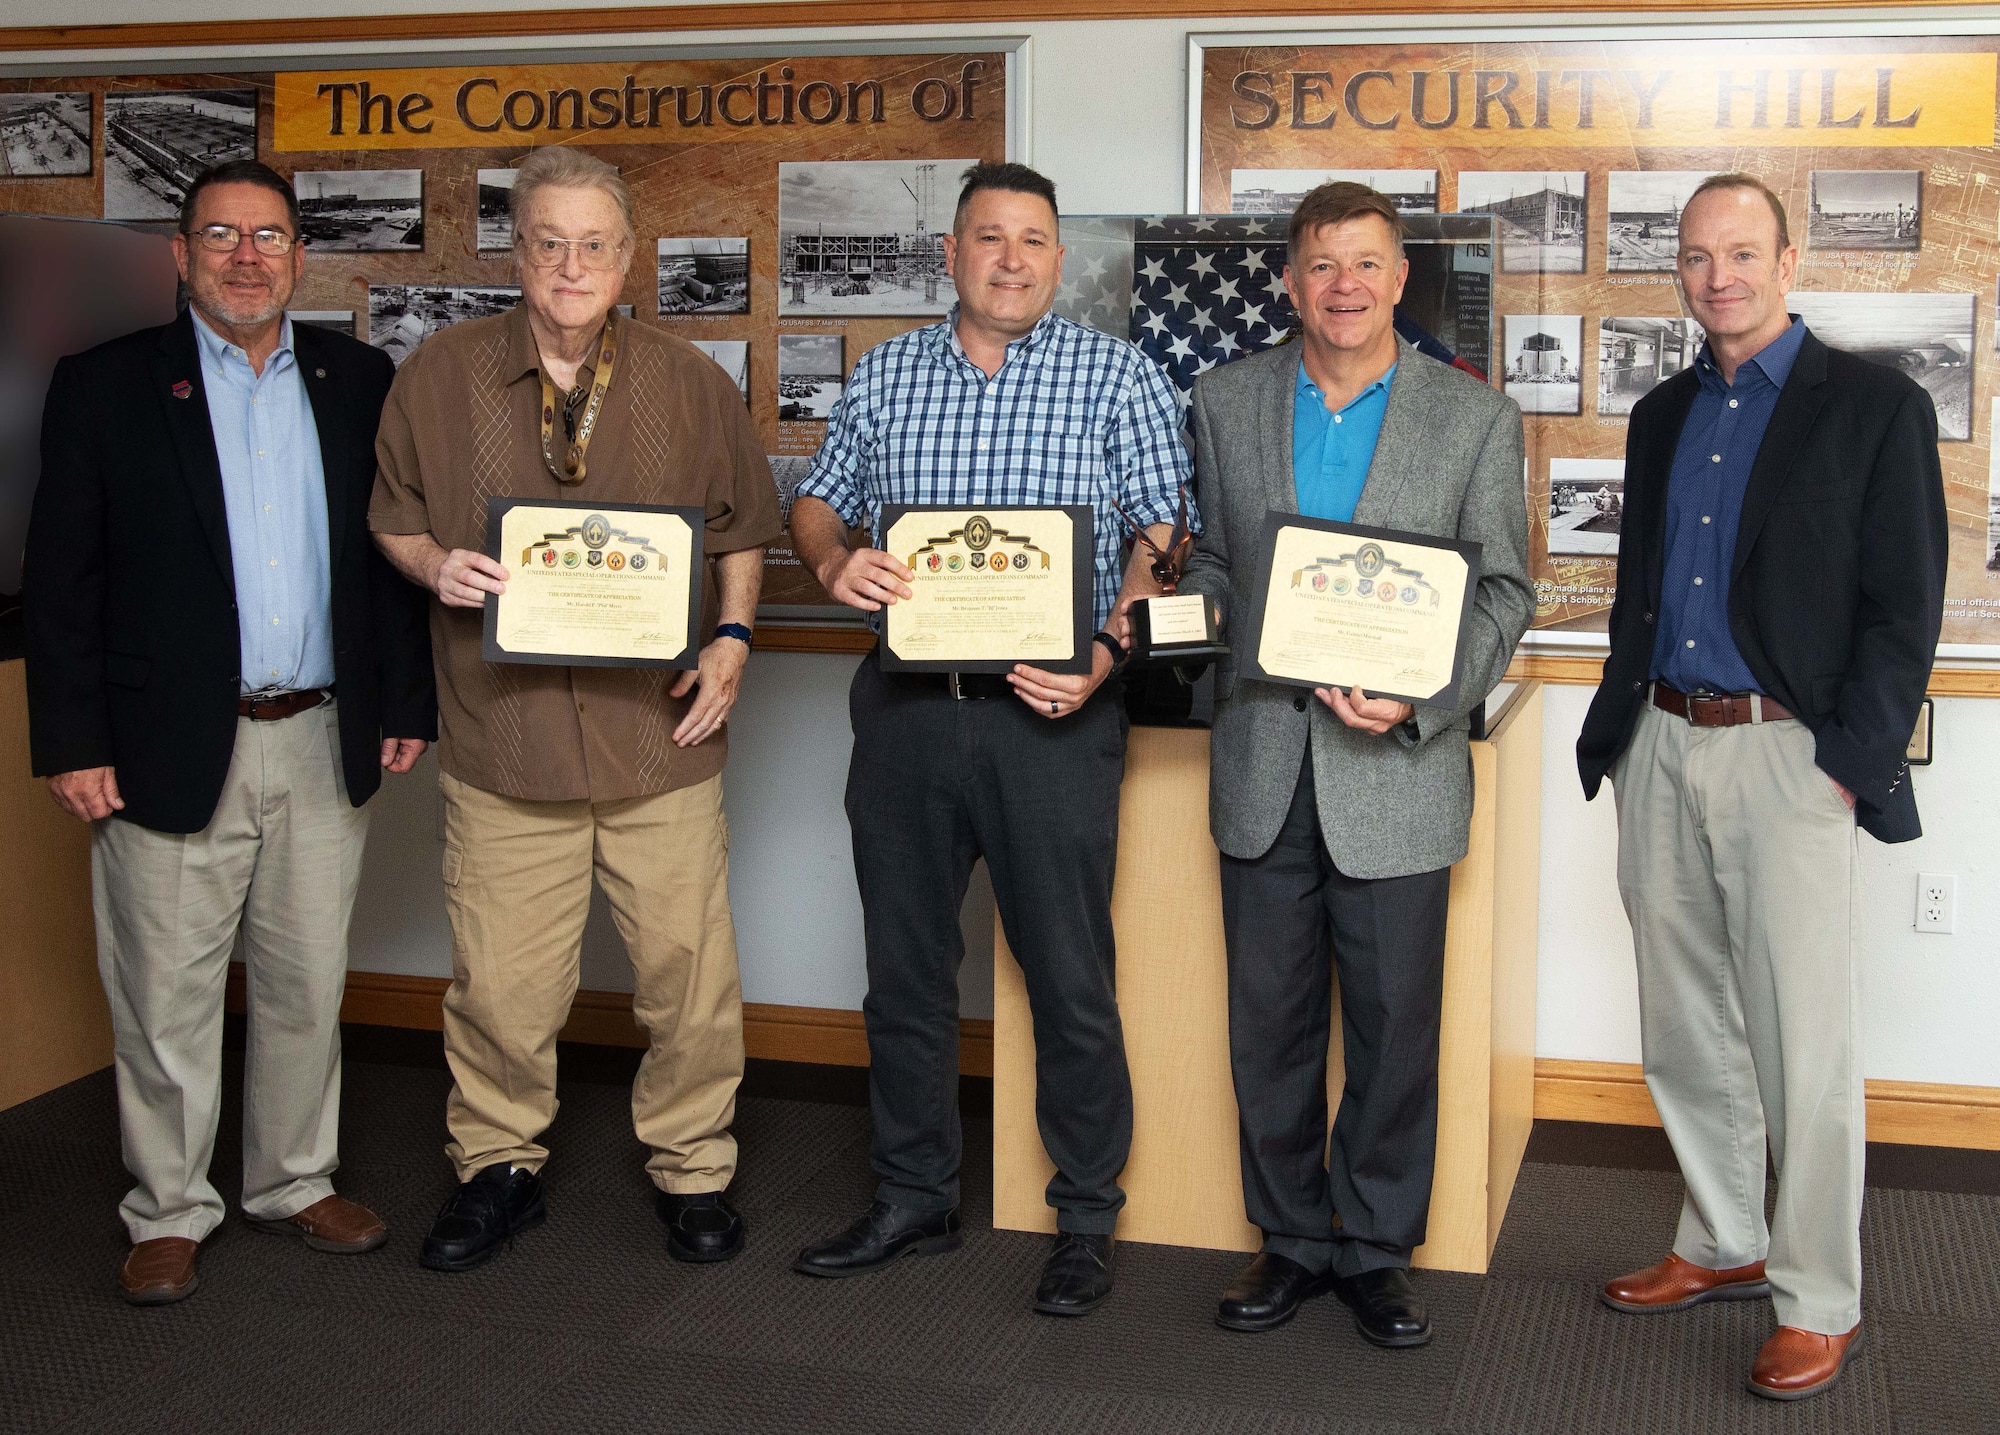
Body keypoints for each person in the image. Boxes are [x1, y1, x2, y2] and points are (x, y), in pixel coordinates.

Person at [22, 159, 436, 1305]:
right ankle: (168, 1208)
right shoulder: (105, 386)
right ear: (180, 255)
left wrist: (404, 701)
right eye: (220, 236)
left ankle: (293, 1181)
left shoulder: (357, 379)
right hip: (161, 738)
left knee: (307, 981)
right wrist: (69, 740)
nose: (246, 257)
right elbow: (63, 582)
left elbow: (385, 564)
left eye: (268, 236)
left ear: (302, 254)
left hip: (319, 730)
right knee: (165, 992)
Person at [788, 161, 1190, 1316]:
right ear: (949, 254)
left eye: (1031, 240)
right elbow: (816, 495)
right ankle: (912, 1192)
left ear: (1058, 260)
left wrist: (1106, 654)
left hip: (1050, 722)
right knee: (903, 975)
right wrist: (827, 557)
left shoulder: (1119, 377)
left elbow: (1163, 539)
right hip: (908, 719)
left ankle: (1083, 1213)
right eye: (985, 237)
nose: (1009, 259)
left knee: (1067, 974)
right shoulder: (887, 376)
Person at [369, 146, 780, 1272]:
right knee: (499, 989)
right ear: (517, 250)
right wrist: (431, 567)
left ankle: (693, 1168)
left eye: (594, 243)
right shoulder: (438, 375)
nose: (570, 263)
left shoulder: (692, 381)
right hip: (502, 743)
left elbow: (743, 528)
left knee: (688, 986)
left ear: (628, 256)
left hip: (660, 741)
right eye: (547, 240)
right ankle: (497, 1168)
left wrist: (734, 638)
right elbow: (391, 517)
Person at [1577, 174, 1946, 1401]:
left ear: (1787, 262)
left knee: (1802, 1044)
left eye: (1740, 252)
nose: (1716, 275)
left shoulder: (1874, 407)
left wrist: (1847, 760)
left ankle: (1816, 1296)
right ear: (1676, 270)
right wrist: (1620, 737)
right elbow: (1641, 587)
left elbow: (1903, 610)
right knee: (1683, 1026)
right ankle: (1722, 1240)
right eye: (1694, 256)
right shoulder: (1660, 409)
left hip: (1787, 756)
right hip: (1661, 743)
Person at [1175, 182, 1531, 1348]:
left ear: (1399, 278)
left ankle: (1376, 1249)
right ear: (1289, 279)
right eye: (1321, 264)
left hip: (1396, 770)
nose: (1344, 286)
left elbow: (1501, 590)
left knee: (1390, 1028)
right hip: (1265, 760)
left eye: (1366, 263)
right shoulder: (1224, 399)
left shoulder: (1471, 416)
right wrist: (1190, 607)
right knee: (1266, 1025)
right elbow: (1219, 564)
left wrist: (1422, 692)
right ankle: (1287, 1240)